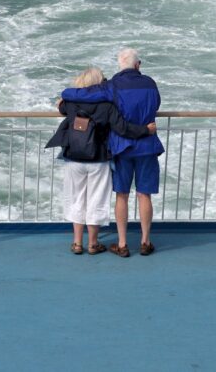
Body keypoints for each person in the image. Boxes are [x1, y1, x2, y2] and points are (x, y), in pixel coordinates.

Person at [61, 48, 163, 257]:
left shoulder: (112, 85)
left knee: (122, 195)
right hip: (147, 145)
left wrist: (66, 94)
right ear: (138, 64)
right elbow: (157, 104)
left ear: (120, 65)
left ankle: (123, 243)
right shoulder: (150, 84)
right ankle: (145, 241)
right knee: (145, 194)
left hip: (122, 147)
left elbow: (83, 94)